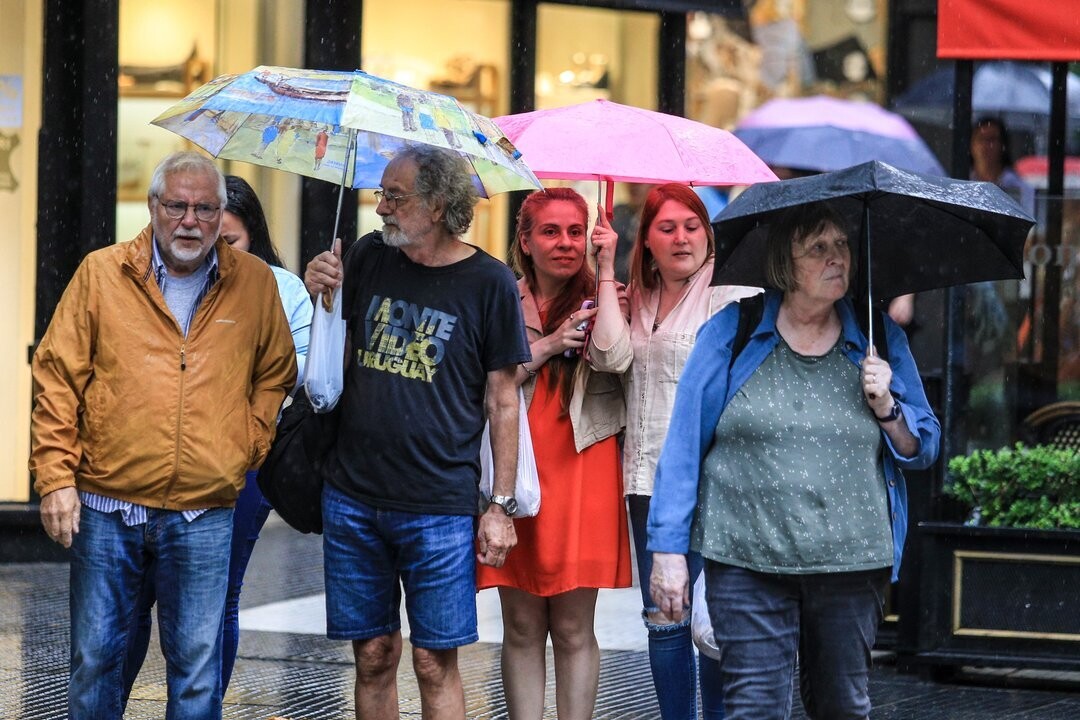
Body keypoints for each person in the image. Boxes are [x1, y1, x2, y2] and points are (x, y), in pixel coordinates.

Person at [29, 151, 297, 720]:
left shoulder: (252, 283)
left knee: (197, 672)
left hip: (204, 510)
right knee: (96, 659)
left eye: (205, 208)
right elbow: (56, 376)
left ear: (221, 214)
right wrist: (55, 478)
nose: (190, 220)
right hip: (106, 504)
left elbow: (276, 370)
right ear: (154, 208)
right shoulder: (101, 273)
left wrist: (245, 445)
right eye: (176, 205)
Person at [648, 201, 940, 720]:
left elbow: (923, 447)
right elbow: (683, 445)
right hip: (746, 558)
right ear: (786, 263)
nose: (837, 259)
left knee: (842, 707)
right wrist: (668, 551)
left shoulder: (876, 337)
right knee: (754, 708)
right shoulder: (733, 332)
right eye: (818, 249)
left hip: (851, 563)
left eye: (842, 246)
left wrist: (887, 407)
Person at [303, 145, 529, 720]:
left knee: (434, 661)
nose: (380, 208)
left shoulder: (491, 282)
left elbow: (504, 400)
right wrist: (320, 294)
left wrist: (499, 505)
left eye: (395, 197)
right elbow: (330, 356)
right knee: (374, 654)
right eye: (380, 194)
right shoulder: (366, 257)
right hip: (352, 494)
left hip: (440, 503)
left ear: (438, 204)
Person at [120, 175, 313, 699]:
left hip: (242, 461)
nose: (216, 249)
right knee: (138, 597)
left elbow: (296, 374)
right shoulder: (158, 278)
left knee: (216, 598)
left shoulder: (280, 287)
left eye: (232, 242)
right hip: (155, 454)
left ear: (254, 237)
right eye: (209, 234)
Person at [590, 183, 758, 720]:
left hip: (713, 480)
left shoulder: (731, 295)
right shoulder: (633, 295)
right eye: (667, 228)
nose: (681, 238)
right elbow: (609, 358)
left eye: (692, 226)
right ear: (648, 241)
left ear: (708, 236)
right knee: (663, 615)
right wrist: (605, 270)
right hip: (644, 480)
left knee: (709, 619)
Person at [475, 188, 632, 720]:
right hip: (513, 470)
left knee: (571, 626)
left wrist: (607, 270)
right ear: (525, 239)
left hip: (582, 469)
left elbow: (613, 357)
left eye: (574, 232)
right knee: (520, 626)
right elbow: (481, 385)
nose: (564, 243)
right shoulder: (499, 298)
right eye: (550, 231)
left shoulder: (608, 297)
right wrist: (548, 343)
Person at [970, 116, 1035, 214]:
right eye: (981, 139)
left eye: (992, 139)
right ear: (972, 144)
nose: (986, 145)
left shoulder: (1019, 188)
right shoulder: (963, 183)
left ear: (1003, 145)